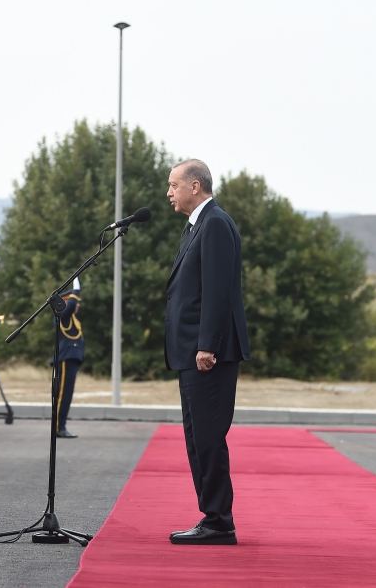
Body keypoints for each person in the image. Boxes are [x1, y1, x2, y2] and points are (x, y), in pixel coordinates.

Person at [164, 158, 249, 546]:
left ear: (194, 186)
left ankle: (219, 521)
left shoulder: (214, 223)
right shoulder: (197, 225)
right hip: (190, 351)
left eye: (174, 185)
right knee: (198, 436)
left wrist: (207, 345)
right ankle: (212, 515)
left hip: (207, 354)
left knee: (208, 436)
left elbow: (217, 290)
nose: (169, 193)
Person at [55, 277, 83, 438]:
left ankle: (61, 426)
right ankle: (59, 427)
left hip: (71, 359)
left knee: (67, 394)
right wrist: (76, 290)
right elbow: (71, 306)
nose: (77, 305)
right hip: (66, 358)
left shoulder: (71, 318)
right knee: (63, 394)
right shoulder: (63, 315)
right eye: (75, 301)